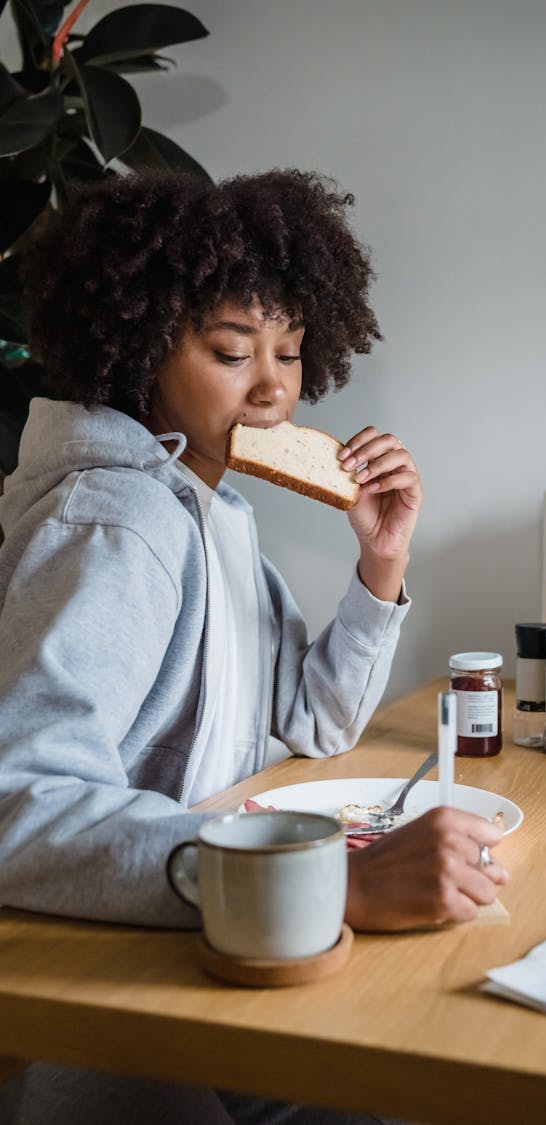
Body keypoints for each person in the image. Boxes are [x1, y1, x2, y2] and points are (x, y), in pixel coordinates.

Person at [0, 170, 507, 1124]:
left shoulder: (215, 512)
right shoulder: (118, 527)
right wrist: (335, 879)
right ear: (138, 346)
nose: (276, 387)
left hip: (229, 945)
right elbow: (17, 810)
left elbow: (312, 720)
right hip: (126, 996)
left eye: (292, 350)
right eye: (233, 350)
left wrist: (380, 563)